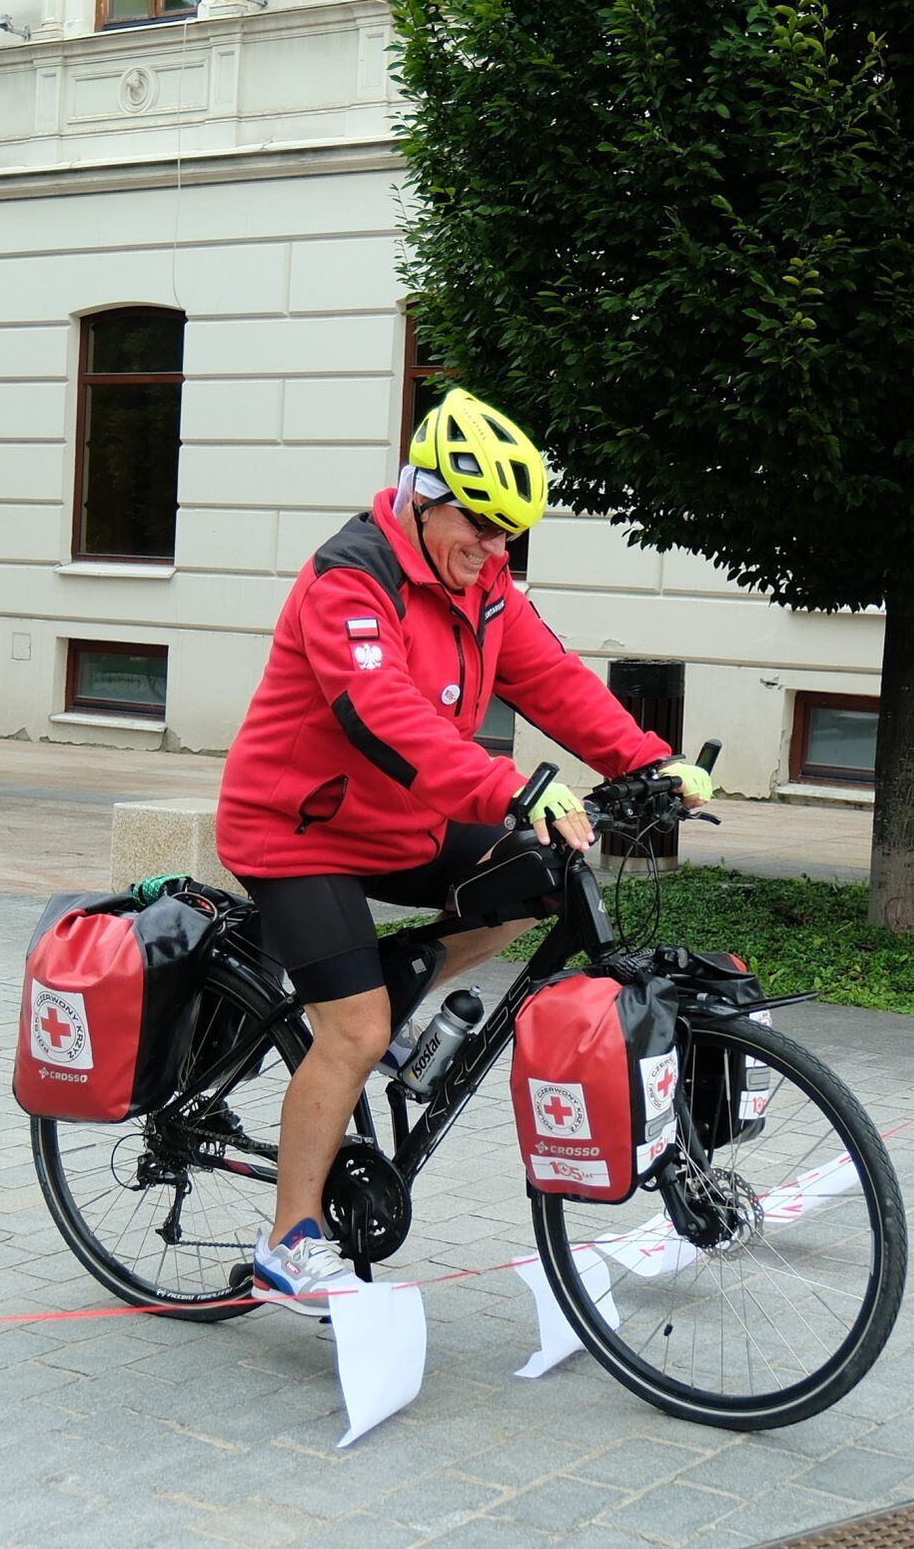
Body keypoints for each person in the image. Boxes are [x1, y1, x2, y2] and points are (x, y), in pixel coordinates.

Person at [215, 387, 712, 1315]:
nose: (493, 551)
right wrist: (512, 785)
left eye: (509, 536)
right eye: (479, 527)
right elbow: (384, 716)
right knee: (355, 1030)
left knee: (540, 882)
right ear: (423, 493)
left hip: (405, 820)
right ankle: (288, 1241)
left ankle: (397, 986)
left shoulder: (483, 590)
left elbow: (555, 680)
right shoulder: (350, 576)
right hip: (298, 826)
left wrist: (649, 760)